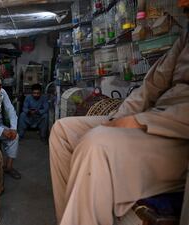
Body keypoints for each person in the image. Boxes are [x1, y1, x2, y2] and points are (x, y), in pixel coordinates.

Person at [49, 20, 189, 225]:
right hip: (155, 116)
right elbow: (150, 87)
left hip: (177, 133)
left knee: (96, 144)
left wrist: (140, 122)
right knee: (62, 130)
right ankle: (68, 220)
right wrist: (118, 118)